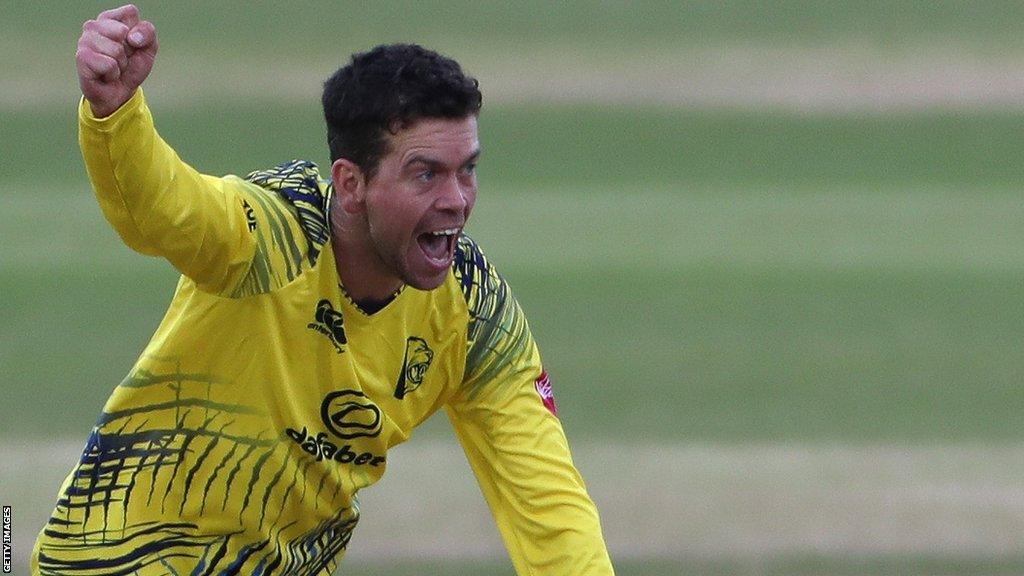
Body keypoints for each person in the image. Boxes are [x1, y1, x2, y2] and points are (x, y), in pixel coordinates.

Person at [32, 4, 614, 575]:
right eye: (426, 173)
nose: (457, 199)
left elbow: (547, 505)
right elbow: (165, 211)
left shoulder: (474, 312)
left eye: (468, 169)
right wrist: (116, 112)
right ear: (351, 182)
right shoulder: (271, 238)